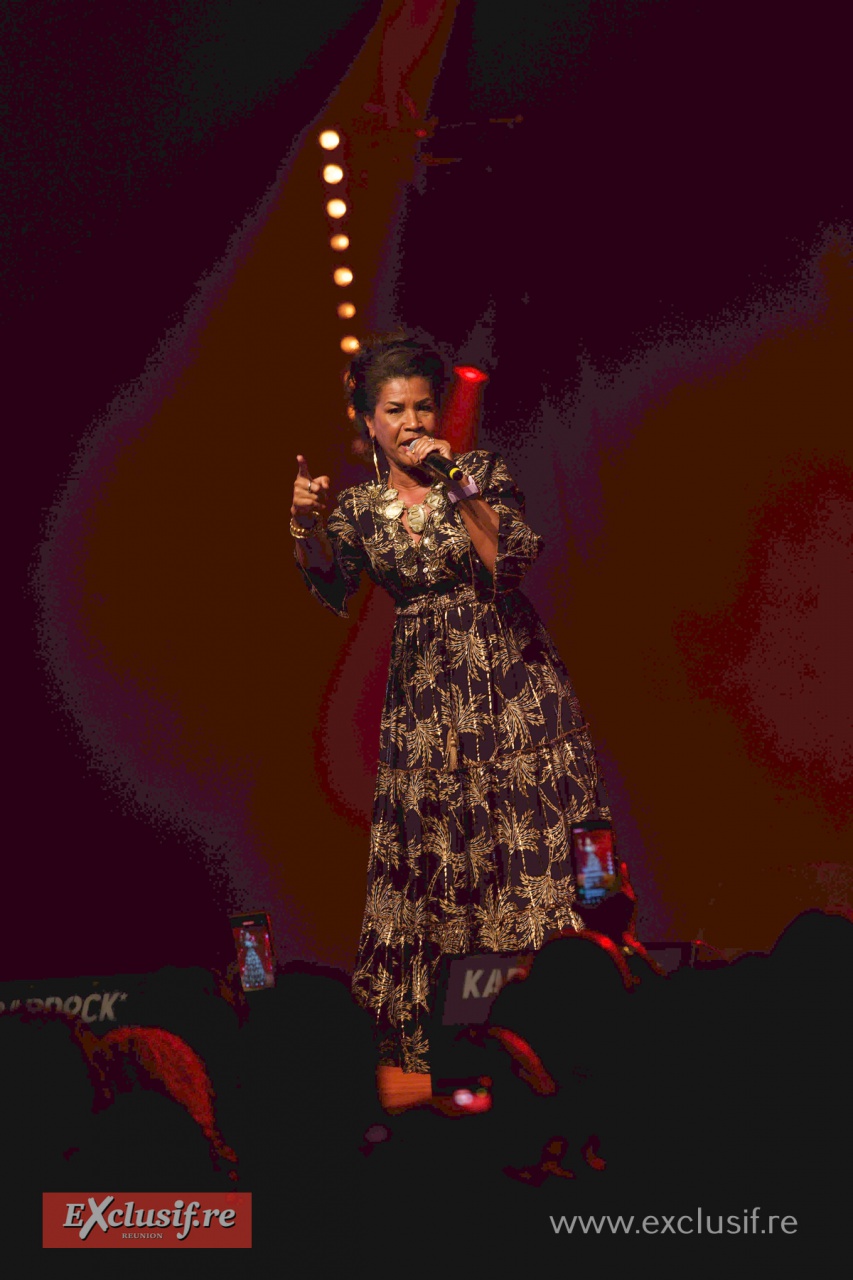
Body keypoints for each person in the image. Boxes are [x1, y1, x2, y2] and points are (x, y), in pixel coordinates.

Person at [292, 336, 611, 1073]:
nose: (411, 422)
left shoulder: (481, 473)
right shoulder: (359, 509)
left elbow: (508, 561)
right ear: (368, 421)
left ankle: (562, 1017)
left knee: (526, 840)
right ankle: (449, 1038)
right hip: (427, 703)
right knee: (439, 854)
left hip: (509, 683)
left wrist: (457, 481)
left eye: (423, 407)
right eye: (394, 410)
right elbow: (331, 586)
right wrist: (304, 524)